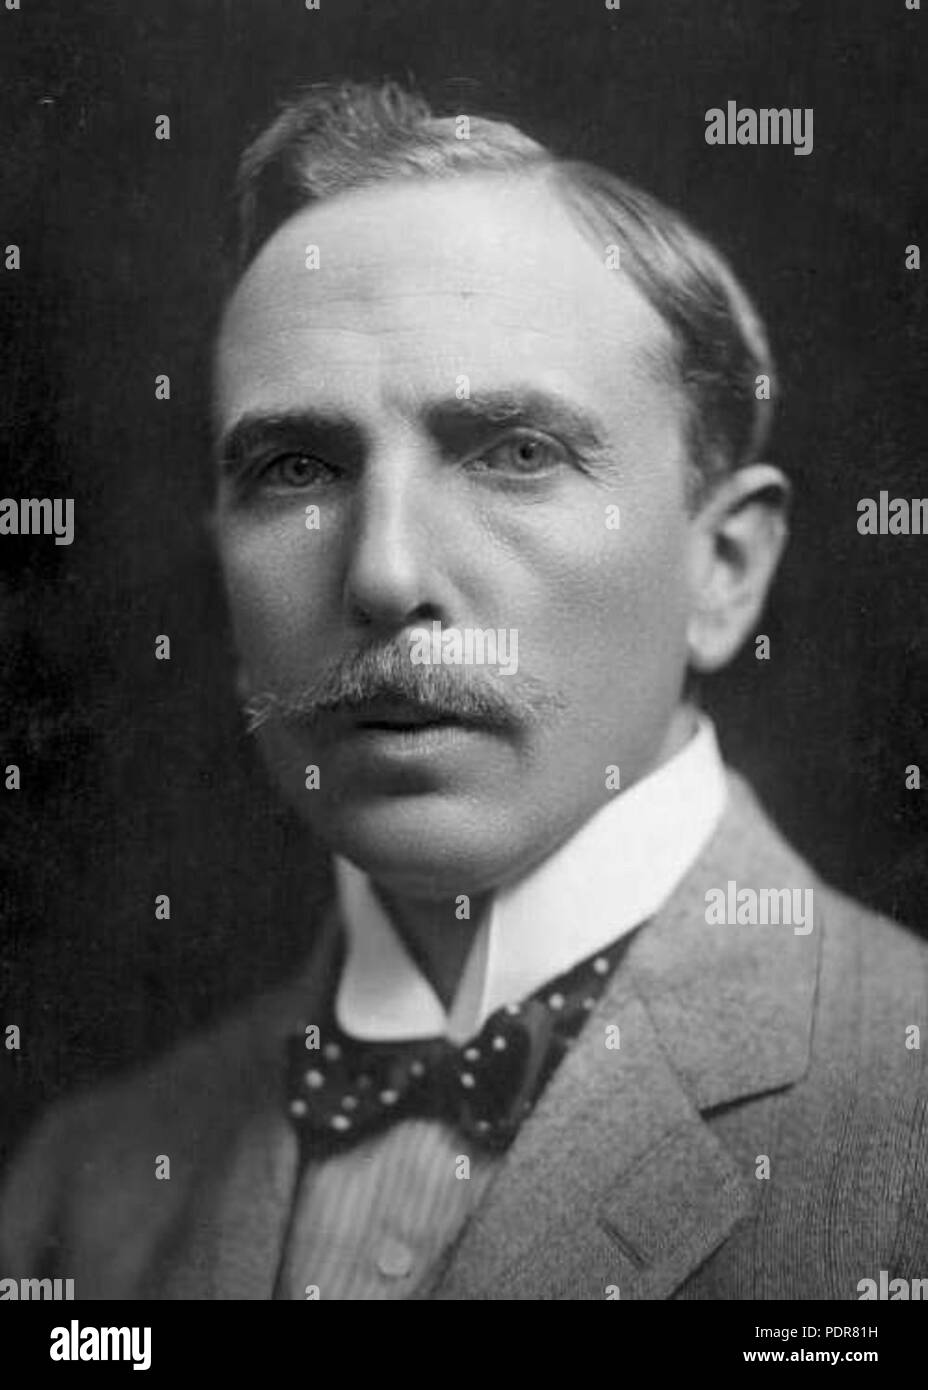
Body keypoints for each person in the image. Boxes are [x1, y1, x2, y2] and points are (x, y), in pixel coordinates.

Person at [1, 81, 925, 1302]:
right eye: (296, 468)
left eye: (517, 454)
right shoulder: (79, 1191)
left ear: (723, 566)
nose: (385, 575)